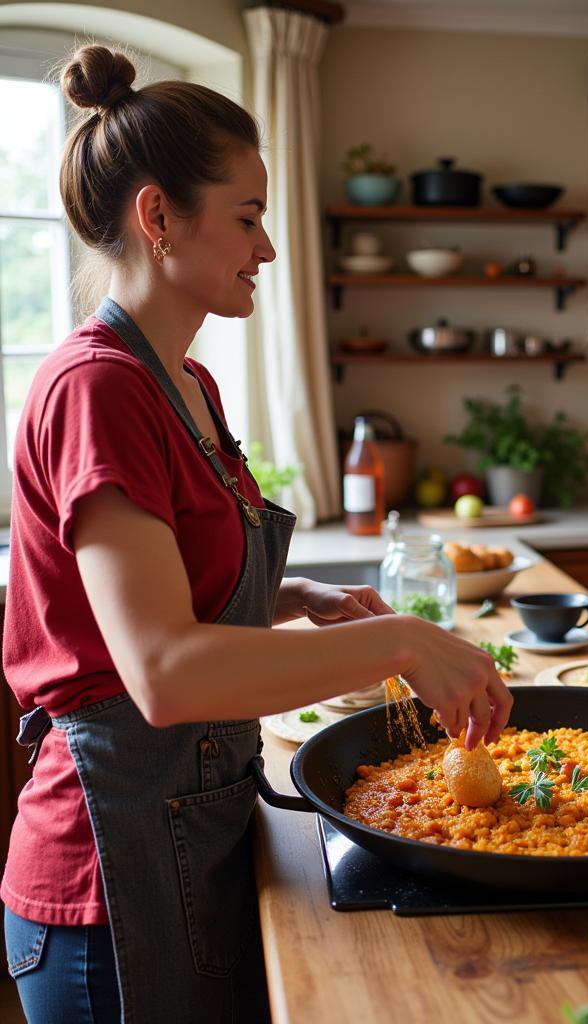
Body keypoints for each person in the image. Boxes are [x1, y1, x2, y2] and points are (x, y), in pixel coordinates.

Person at [1, 46, 511, 1024]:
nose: (267, 249)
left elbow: (170, 581)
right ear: (158, 217)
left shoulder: (186, 382)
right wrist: (404, 641)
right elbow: (162, 670)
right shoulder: (97, 387)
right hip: (110, 872)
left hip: (195, 823)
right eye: (248, 218)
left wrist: (300, 599)